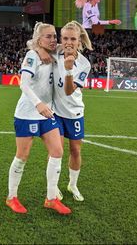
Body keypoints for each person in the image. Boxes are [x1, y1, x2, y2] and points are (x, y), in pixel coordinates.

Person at [6, 22, 71, 215]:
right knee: (22, 156)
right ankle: (11, 197)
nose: (54, 40)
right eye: (48, 36)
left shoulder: (54, 53)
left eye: (54, 36)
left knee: (57, 152)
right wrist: (38, 104)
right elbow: (24, 85)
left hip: (47, 114)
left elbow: (71, 44)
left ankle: (51, 198)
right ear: (39, 39)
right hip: (28, 114)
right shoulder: (32, 56)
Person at [38, 21, 92, 202]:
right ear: (61, 39)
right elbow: (34, 43)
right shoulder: (57, 50)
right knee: (56, 150)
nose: (68, 42)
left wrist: (69, 70)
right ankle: (52, 189)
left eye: (73, 39)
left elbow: (69, 91)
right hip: (55, 111)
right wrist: (41, 51)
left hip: (75, 112)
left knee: (75, 150)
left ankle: (72, 184)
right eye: (65, 38)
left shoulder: (84, 64)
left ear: (79, 41)